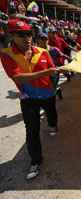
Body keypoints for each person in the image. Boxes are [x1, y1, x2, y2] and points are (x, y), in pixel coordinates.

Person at [0, 19, 61, 180]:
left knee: (52, 115)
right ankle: (35, 161)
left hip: (48, 95)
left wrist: (54, 82)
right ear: (11, 36)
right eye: (21, 35)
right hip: (29, 99)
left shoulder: (43, 52)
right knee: (32, 130)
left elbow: (53, 72)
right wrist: (45, 73)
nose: (27, 38)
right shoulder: (6, 55)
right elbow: (18, 78)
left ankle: (53, 125)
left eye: (29, 34)